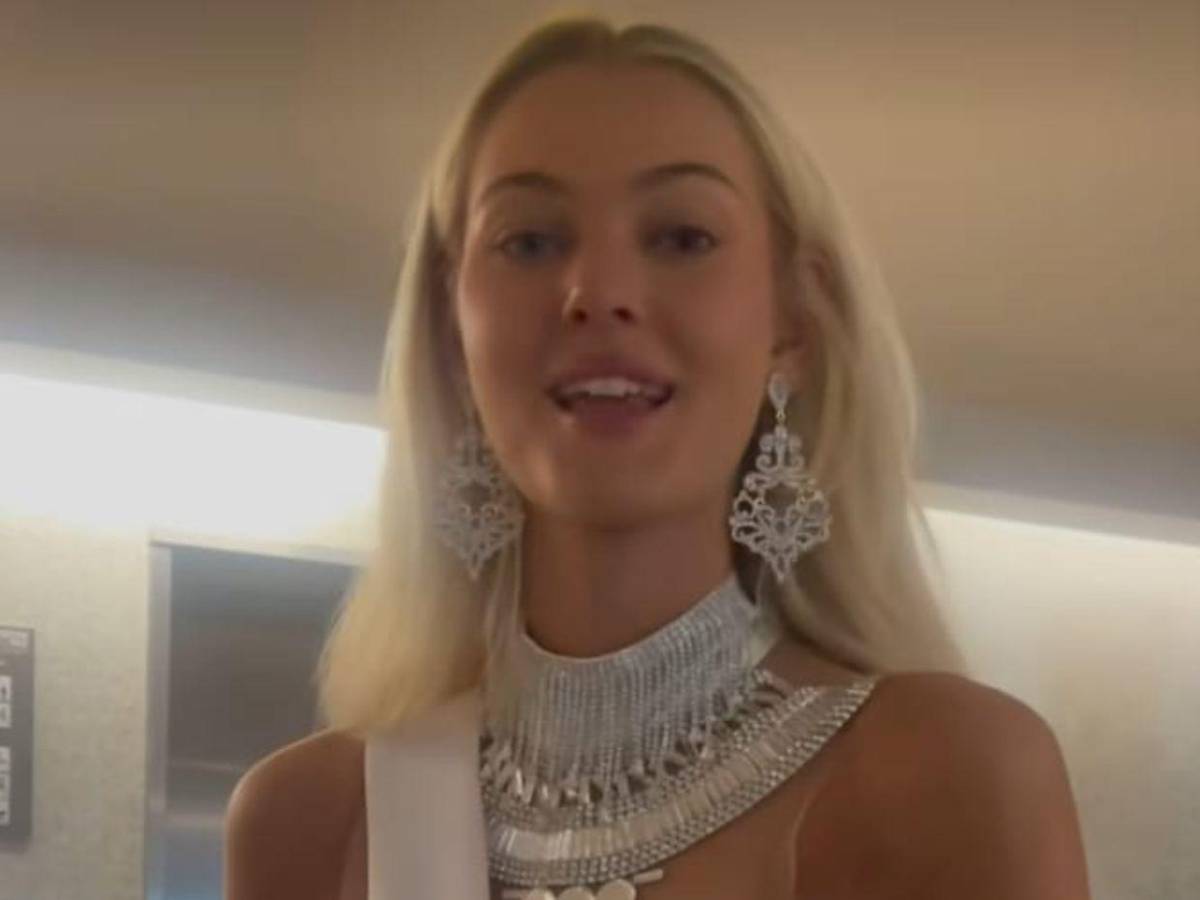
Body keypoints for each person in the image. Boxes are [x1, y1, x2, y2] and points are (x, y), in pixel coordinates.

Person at [223, 13, 1091, 900]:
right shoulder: (306, 823)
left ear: (792, 321)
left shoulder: (951, 779)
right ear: (453, 333)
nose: (598, 293)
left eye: (681, 237)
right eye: (530, 241)